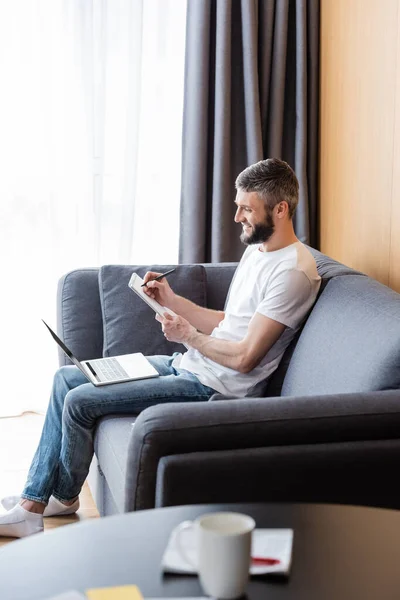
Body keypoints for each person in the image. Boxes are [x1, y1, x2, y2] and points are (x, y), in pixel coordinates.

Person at [0, 158, 321, 538]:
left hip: (215, 388)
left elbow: (246, 356)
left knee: (80, 401)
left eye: (246, 208)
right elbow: (225, 322)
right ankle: (63, 497)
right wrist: (170, 299)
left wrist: (186, 334)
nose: (236, 217)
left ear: (280, 209)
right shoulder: (258, 251)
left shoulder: (294, 272)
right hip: (190, 363)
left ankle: (30, 510)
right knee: (67, 379)